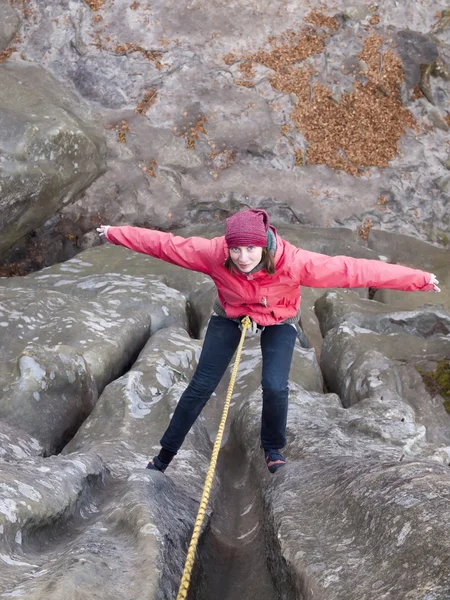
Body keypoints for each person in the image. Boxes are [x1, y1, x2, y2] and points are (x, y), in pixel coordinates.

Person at [97, 209, 441, 474]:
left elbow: (355, 270)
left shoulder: (295, 263)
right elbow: (164, 245)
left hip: (280, 319)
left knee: (275, 386)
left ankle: (273, 449)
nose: (243, 257)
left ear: (264, 245)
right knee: (200, 386)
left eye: (250, 249)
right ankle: (164, 456)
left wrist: (419, 280)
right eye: (236, 249)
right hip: (230, 315)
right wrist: (115, 233)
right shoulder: (212, 254)